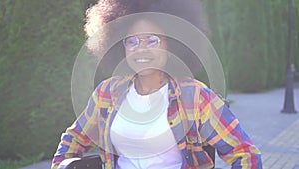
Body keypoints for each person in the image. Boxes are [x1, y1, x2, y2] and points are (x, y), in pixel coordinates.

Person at [51, 0, 262, 168]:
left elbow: (245, 154)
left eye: (151, 40)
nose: (140, 49)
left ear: (171, 44)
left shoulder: (195, 97)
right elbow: (73, 140)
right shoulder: (107, 92)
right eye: (132, 41)